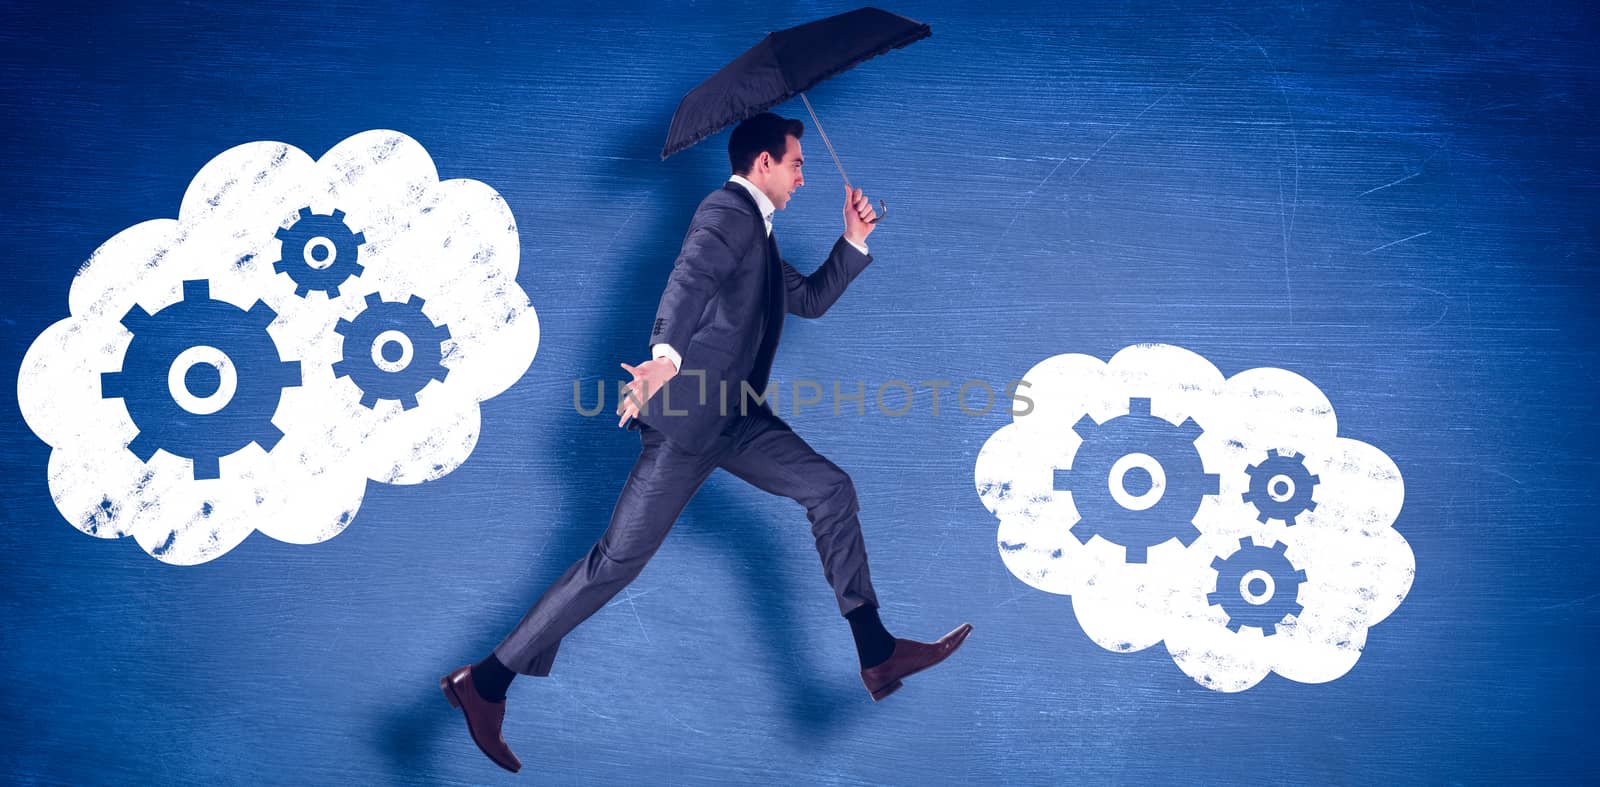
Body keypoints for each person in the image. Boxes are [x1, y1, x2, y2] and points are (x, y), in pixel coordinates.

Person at [440, 112, 972, 773]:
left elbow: (803, 297)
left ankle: (876, 650)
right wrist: (664, 355)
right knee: (615, 564)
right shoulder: (725, 212)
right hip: (689, 418)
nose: (804, 176)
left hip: (735, 419)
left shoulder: (758, 229)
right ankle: (486, 682)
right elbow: (686, 283)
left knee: (830, 488)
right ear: (763, 164)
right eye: (798, 163)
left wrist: (854, 239)